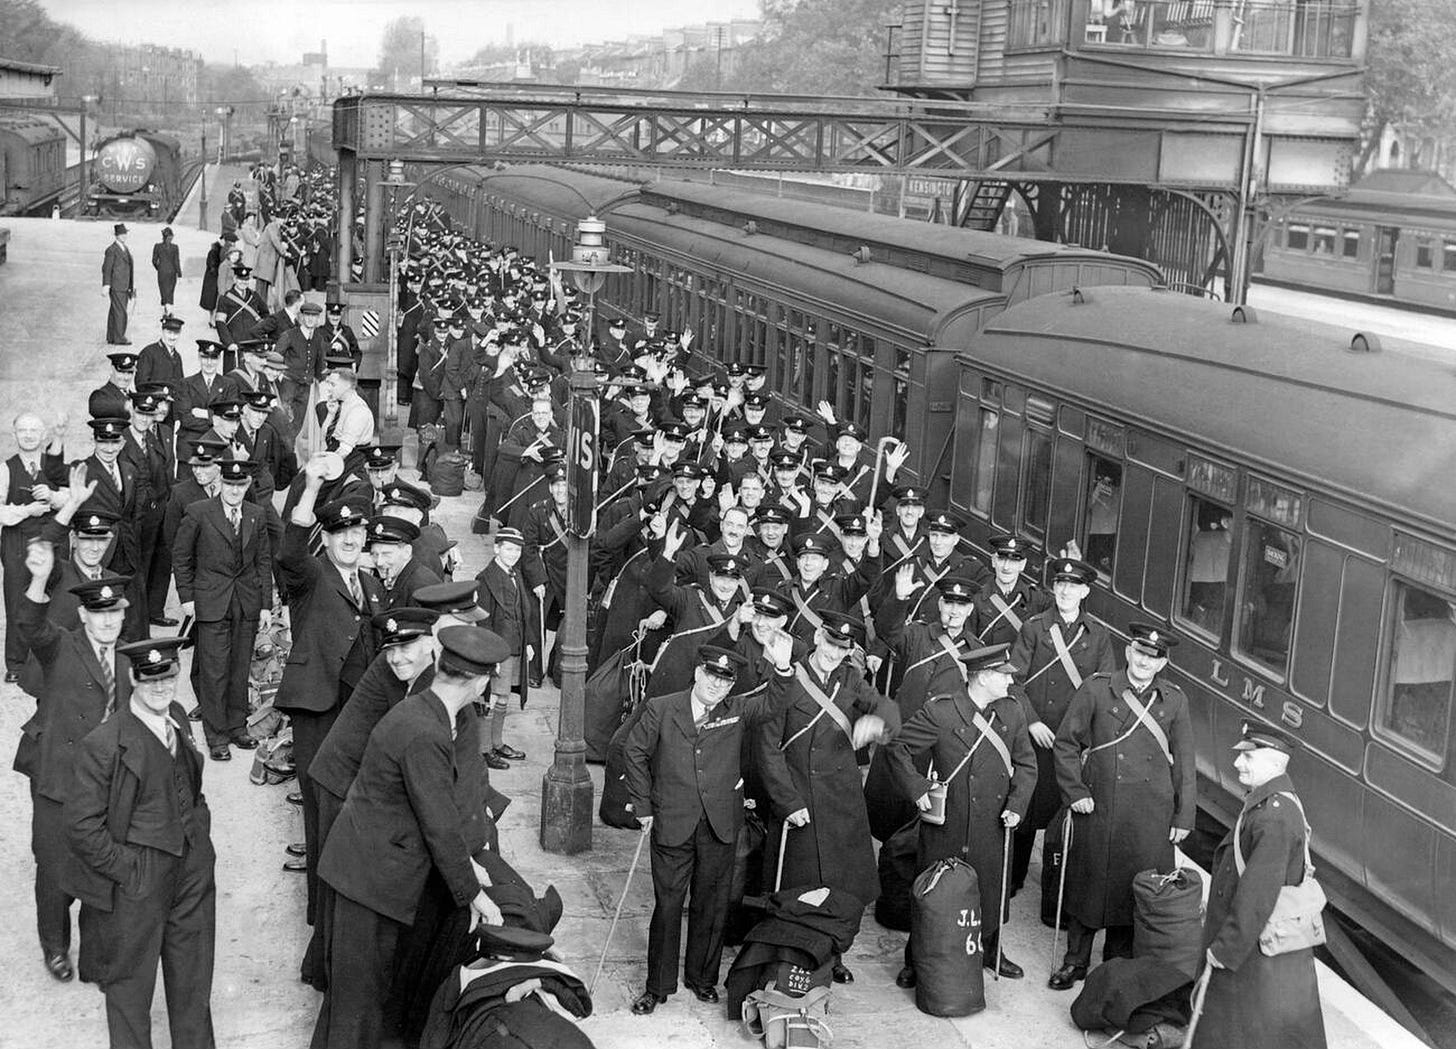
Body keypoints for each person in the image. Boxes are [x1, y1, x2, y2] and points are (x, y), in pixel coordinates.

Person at [311, 626, 509, 1049]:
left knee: (358, 1001)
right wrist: (476, 894)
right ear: (480, 682)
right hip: (369, 880)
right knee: (357, 1005)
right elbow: (439, 824)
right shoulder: (427, 732)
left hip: (366, 870)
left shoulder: (422, 711)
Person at [623, 641, 795, 1015]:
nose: (716, 687)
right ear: (698, 673)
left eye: (725, 681)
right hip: (672, 822)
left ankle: (702, 979)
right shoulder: (662, 708)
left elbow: (773, 703)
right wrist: (643, 805)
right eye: (711, 677)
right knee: (668, 906)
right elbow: (633, 751)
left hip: (720, 824)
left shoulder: (737, 710)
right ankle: (658, 986)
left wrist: (782, 668)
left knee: (712, 905)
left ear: (732, 686)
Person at [64, 636, 216, 1049]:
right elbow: (80, 826)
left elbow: (192, 784)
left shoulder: (180, 717)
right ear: (133, 679)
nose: (161, 688)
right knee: (130, 990)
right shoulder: (105, 743)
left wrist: (200, 839)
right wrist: (130, 871)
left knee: (193, 985)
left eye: (168, 677)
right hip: (139, 879)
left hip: (192, 871)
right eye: (150, 681)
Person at [755, 609, 900, 983]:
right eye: (831, 644)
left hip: (841, 801)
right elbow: (768, 747)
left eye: (843, 649)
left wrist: (877, 724)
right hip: (798, 797)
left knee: (842, 887)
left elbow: (888, 709)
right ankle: (791, 954)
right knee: (797, 886)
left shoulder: (851, 677)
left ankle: (833, 953)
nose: (834, 655)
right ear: (818, 637)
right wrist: (787, 802)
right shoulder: (789, 675)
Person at [1049, 623, 1196, 989]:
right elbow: (1066, 743)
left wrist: (1184, 815)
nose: (1145, 661)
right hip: (1100, 805)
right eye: (1140, 652)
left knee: (1134, 890)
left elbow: (1186, 761)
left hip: (1151, 813)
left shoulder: (1175, 700)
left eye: (1154, 657)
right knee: (1089, 883)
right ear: (1129, 652)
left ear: (1162, 664)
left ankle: (1115, 965)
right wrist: (1075, 791)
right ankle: (1075, 961)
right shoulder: (1097, 689)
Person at [884, 643, 1037, 986]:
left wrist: (1017, 805)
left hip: (994, 820)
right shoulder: (942, 711)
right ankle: (917, 957)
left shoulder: (1012, 712)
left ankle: (991, 949)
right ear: (982, 678)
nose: (1009, 683)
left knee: (990, 886)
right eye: (1003, 676)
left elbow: (1027, 764)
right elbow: (899, 748)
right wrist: (918, 787)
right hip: (948, 821)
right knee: (934, 891)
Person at [14, 551, 131, 985]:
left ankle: (97, 954)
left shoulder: (129, 663)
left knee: (100, 866)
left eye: (114, 616)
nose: (106, 623)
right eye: (98, 615)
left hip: (104, 784)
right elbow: (30, 626)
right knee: (55, 867)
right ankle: (55, 946)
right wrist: (39, 580)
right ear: (83, 615)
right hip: (59, 780)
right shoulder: (61, 644)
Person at [274, 460, 383, 910]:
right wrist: (311, 487)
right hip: (317, 706)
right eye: (342, 534)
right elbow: (289, 554)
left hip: (356, 710)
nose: (351, 540)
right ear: (329, 538)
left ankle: (347, 905)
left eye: (358, 534)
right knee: (322, 808)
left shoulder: (372, 584)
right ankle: (321, 913)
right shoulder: (312, 575)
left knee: (353, 808)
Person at [1192, 721, 1328, 1049]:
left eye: (1248, 758)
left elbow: (1257, 896)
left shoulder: (1273, 816)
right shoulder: (1275, 801)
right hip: (1258, 946)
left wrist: (1223, 949)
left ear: (1275, 761)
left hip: (1250, 948)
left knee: (1238, 1030)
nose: (1238, 763)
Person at [1006, 557, 1116, 899]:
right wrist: (1032, 722)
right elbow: (1013, 682)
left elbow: (1106, 690)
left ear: (1085, 592)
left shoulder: (1098, 636)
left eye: (1074, 585)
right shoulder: (1034, 628)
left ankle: (1056, 891)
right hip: (1033, 735)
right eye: (1061, 584)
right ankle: (1013, 879)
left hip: (1073, 743)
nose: (1066, 590)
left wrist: (1082, 738)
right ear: (1054, 588)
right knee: (1023, 810)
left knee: (1065, 817)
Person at [173, 459, 273, 761]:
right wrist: (187, 597)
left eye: (240, 485)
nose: (234, 490)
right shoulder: (199, 512)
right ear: (220, 484)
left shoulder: (256, 515)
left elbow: (263, 562)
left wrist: (266, 605)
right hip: (210, 603)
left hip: (246, 603)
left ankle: (236, 726)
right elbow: (181, 557)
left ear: (247, 487)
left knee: (239, 668)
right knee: (214, 671)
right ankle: (216, 736)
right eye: (229, 484)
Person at [1, 412, 66, 682]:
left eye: (34, 430)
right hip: (17, 542)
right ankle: (16, 664)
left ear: (43, 436)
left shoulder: (54, 464)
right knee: (18, 600)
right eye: (23, 430)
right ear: (14, 435)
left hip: (52, 540)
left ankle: (51, 661)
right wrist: (27, 510)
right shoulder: (5, 468)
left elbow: (72, 497)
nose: (28, 435)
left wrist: (51, 497)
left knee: (54, 599)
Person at [474, 526, 535, 769]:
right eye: (508, 549)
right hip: (498, 648)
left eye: (517, 550)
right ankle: (484, 749)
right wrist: (491, 655)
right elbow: (484, 620)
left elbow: (524, 611)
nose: (513, 554)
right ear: (496, 548)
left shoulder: (515, 573)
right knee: (492, 697)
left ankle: (497, 742)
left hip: (515, 645)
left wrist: (529, 642)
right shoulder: (485, 579)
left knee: (504, 697)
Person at [102, 224, 135, 345]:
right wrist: (106, 284)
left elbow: (129, 268)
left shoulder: (124, 248)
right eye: (122, 234)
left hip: (124, 285)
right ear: (116, 236)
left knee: (114, 311)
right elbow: (106, 268)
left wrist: (131, 284)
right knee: (121, 311)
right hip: (117, 285)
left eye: (125, 233)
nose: (124, 236)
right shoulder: (111, 250)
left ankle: (111, 336)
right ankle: (120, 337)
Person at [151, 228, 181, 316]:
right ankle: (169, 310)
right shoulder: (175, 247)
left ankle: (167, 309)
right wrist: (179, 273)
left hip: (162, 272)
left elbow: (154, 261)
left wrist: (159, 268)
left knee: (163, 290)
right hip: (172, 272)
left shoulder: (157, 246)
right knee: (170, 291)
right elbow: (176, 261)